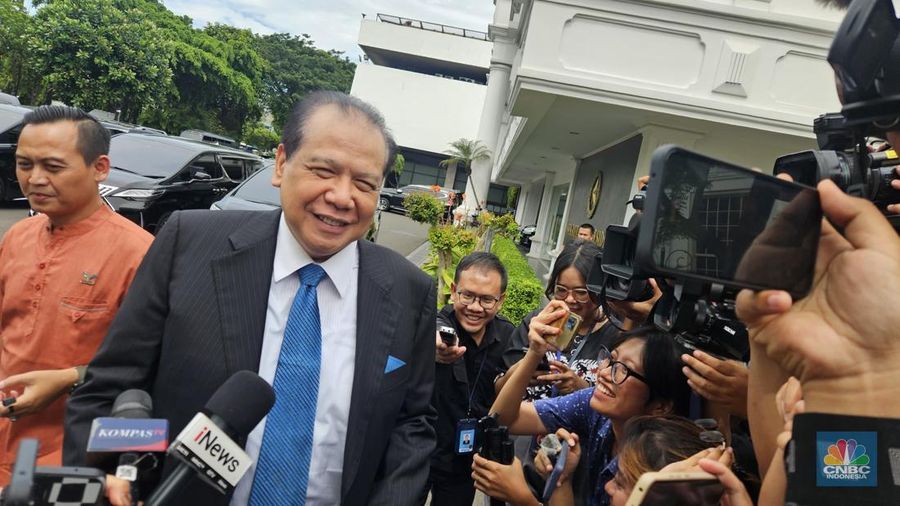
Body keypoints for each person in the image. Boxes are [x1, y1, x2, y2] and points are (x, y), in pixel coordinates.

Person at [63, 91, 438, 505]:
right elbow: (112, 386)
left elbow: (412, 425)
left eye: (364, 183)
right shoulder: (188, 243)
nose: (342, 196)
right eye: (324, 170)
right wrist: (113, 475)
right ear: (281, 164)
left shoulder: (409, 289)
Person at [0, 106, 153, 483]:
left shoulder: (141, 255)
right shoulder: (18, 236)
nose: (34, 179)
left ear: (100, 168)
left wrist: (69, 378)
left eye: (53, 167)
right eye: (24, 164)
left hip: (67, 461)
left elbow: (150, 370)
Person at [488, 306, 692, 506]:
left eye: (622, 370)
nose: (603, 373)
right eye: (610, 360)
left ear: (660, 406)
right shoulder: (593, 407)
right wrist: (535, 351)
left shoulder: (661, 469)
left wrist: (524, 499)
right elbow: (503, 418)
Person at [431, 252, 515, 505]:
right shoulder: (437, 325)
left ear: (501, 300)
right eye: (467, 295)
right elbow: (432, 328)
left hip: (465, 458)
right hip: (420, 449)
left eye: (487, 299)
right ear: (454, 290)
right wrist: (434, 347)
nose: (475, 307)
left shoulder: (507, 335)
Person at [499, 240, 617, 400]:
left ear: (598, 289)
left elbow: (619, 402)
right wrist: (526, 366)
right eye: (561, 290)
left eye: (581, 292)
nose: (569, 299)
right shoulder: (536, 323)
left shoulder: (616, 335)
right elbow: (498, 389)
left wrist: (581, 387)